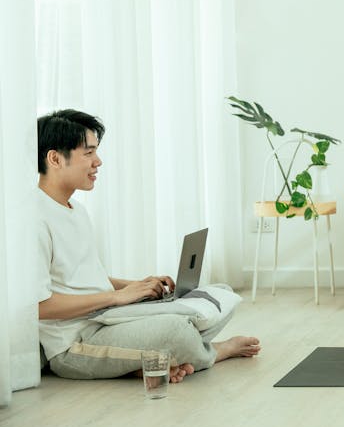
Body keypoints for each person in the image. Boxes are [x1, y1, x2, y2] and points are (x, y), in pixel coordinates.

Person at [37, 109, 261, 382]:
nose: (98, 161)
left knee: (220, 295)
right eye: (88, 153)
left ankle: (148, 360)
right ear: (55, 158)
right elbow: (39, 305)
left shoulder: (76, 210)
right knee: (176, 330)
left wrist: (138, 287)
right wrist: (117, 297)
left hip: (107, 319)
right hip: (74, 344)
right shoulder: (34, 218)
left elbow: (80, 278)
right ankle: (212, 351)